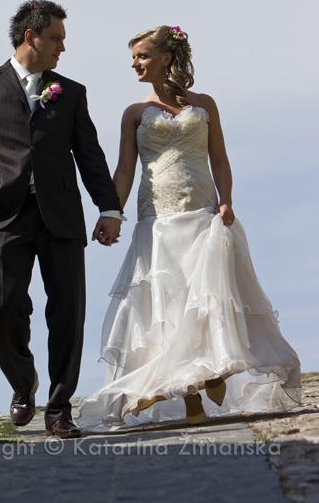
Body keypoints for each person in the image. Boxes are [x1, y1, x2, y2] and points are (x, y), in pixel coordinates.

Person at [77, 25, 301, 431]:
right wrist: (112, 212)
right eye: (133, 58)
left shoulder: (205, 104)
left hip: (203, 214)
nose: (135, 64)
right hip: (157, 220)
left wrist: (226, 199)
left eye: (142, 56)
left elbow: (220, 159)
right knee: (167, 307)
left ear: (166, 57)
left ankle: (213, 369)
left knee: (206, 298)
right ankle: (191, 403)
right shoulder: (134, 113)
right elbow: (125, 169)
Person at [0, 0, 122, 439]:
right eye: (56, 38)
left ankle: (59, 409)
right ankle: (23, 382)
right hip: (2, 218)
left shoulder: (71, 92)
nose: (62, 47)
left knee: (68, 311)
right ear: (31, 37)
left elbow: (89, 155)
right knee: (4, 307)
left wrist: (108, 208)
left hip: (60, 217)